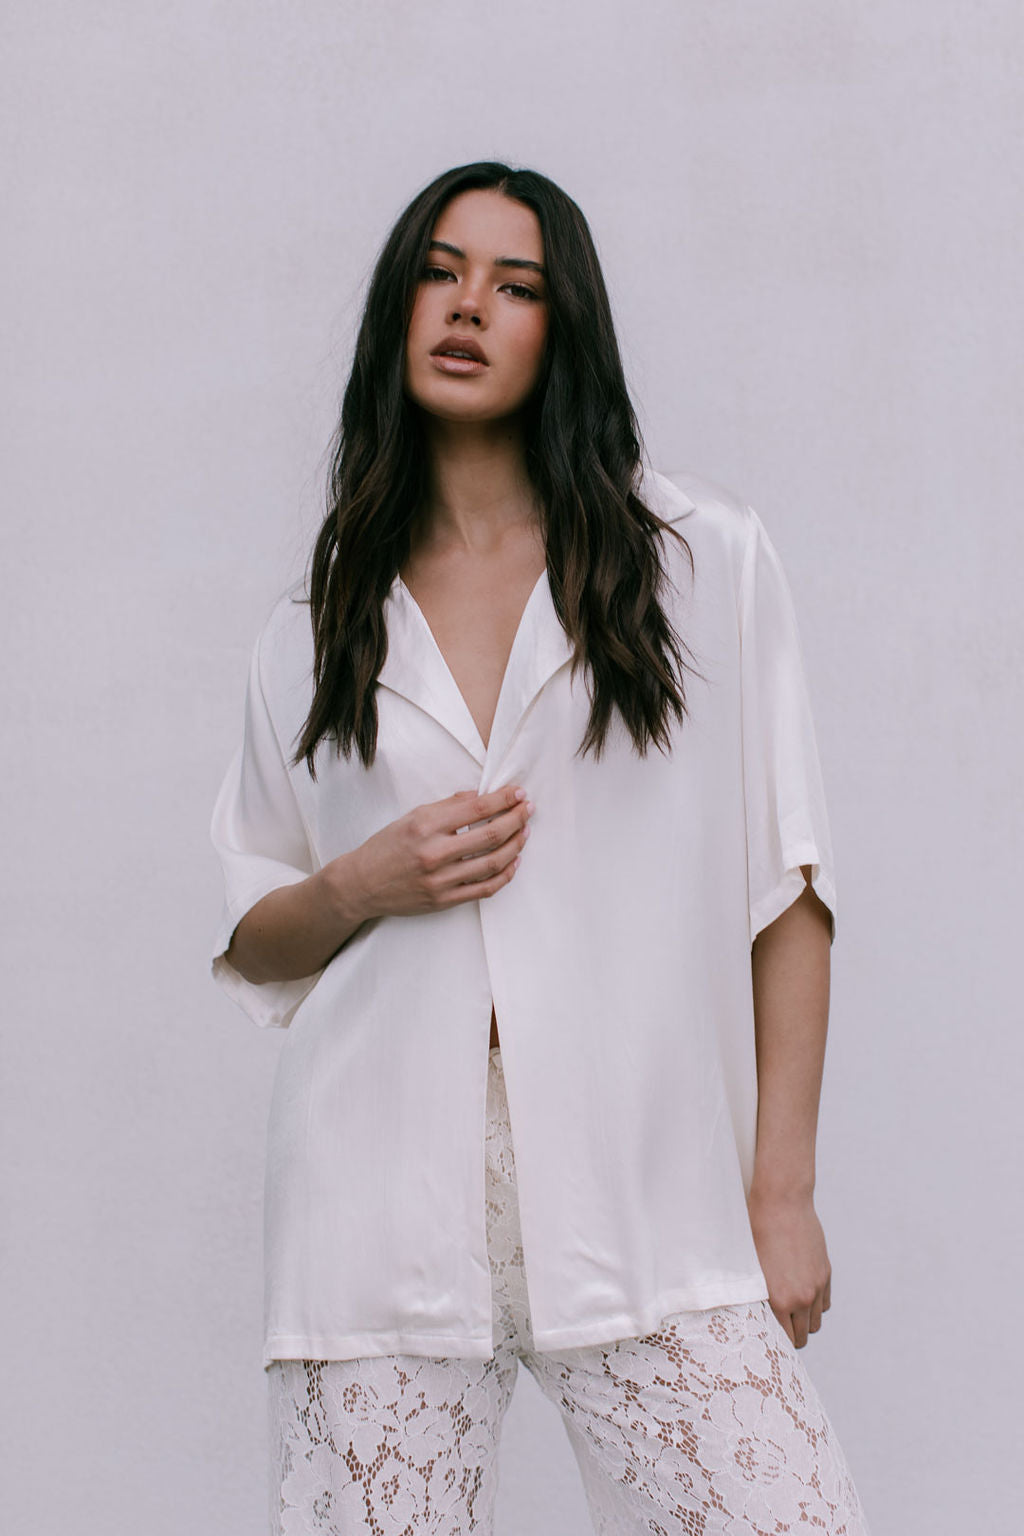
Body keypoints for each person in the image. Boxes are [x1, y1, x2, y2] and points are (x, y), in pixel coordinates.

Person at [209, 161, 872, 1534]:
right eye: (441, 275)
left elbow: (786, 886)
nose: (470, 308)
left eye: (517, 288)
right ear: (399, 312)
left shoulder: (701, 564)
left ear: (563, 330)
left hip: (645, 1194)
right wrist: (360, 884)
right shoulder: (314, 624)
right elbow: (257, 927)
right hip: (374, 1205)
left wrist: (784, 1189)